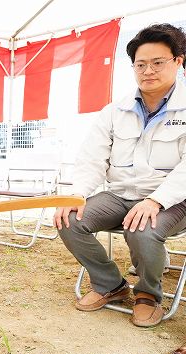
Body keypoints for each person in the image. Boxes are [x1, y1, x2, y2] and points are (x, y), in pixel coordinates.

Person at [54, 23, 186, 328]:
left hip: (172, 199)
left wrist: (156, 200)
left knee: (142, 229)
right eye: (141, 64)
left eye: (158, 62)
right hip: (121, 194)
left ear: (178, 62)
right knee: (68, 219)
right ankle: (110, 284)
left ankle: (148, 294)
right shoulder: (115, 110)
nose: (148, 71)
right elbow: (91, 158)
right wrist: (77, 195)